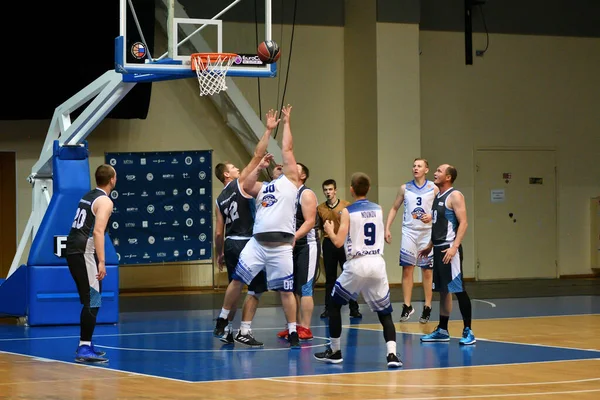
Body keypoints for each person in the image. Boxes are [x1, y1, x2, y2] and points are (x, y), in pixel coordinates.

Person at [213, 105, 302, 348]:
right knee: (237, 281)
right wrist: (265, 140)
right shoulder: (263, 187)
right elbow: (251, 172)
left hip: (281, 245)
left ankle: (293, 330)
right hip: (256, 243)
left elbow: (287, 149)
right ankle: (223, 318)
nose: (280, 166)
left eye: (284, 166)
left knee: (286, 290)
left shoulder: (291, 183)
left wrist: (286, 124)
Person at [314, 172, 402, 368]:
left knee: (334, 305)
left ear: (351, 190)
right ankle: (392, 355)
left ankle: (335, 351)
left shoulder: (348, 211)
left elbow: (337, 242)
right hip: (377, 262)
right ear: (368, 189)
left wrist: (328, 230)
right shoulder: (379, 209)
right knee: (384, 313)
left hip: (357, 263)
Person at [419, 164, 476, 345]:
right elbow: (438, 224)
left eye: (438, 171)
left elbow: (464, 223)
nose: (435, 174)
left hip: (449, 250)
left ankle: (468, 331)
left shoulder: (455, 196)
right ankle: (443, 330)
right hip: (438, 248)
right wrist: (429, 245)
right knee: (443, 291)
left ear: (448, 177)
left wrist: (454, 247)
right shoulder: (438, 196)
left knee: (458, 289)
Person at [214, 160, 268, 346]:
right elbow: (254, 163)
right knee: (256, 288)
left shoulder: (219, 199)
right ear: (227, 175)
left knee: (234, 289)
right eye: (233, 168)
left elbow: (219, 232)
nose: (237, 168)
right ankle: (244, 330)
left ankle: (227, 329)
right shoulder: (240, 184)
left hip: (230, 244)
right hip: (248, 242)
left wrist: (219, 253)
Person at [65, 164, 116, 363]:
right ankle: (84, 347)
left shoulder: (88, 195)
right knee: (93, 299)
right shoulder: (105, 201)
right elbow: (97, 232)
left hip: (74, 248)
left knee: (90, 298)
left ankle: (86, 343)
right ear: (112, 180)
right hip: (84, 250)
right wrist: (102, 261)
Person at [384, 158, 438, 323]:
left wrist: (432, 216)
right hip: (409, 232)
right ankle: (407, 305)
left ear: (426, 169)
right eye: (414, 165)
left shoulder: (433, 188)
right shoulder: (405, 188)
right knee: (407, 269)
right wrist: (387, 228)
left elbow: (441, 210)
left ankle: (427, 306)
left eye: (419, 166)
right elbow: (394, 208)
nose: (415, 168)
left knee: (427, 271)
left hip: (427, 233)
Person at [277, 162, 319, 341]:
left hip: (306, 245)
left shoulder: (306, 193)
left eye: (297, 169)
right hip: (289, 245)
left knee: (305, 287)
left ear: (302, 176)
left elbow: (309, 222)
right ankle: (293, 326)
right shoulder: (287, 193)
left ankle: (306, 327)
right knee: (290, 287)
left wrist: (294, 237)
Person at [317, 179, 361, 319]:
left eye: (330, 189)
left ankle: (354, 308)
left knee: (349, 274)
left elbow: (354, 225)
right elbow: (318, 228)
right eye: (325, 190)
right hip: (329, 243)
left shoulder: (346, 206)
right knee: (330, 278)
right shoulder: (320, 208)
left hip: (343, 242)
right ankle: (328, 308)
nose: (328, 192)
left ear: (335, 190)